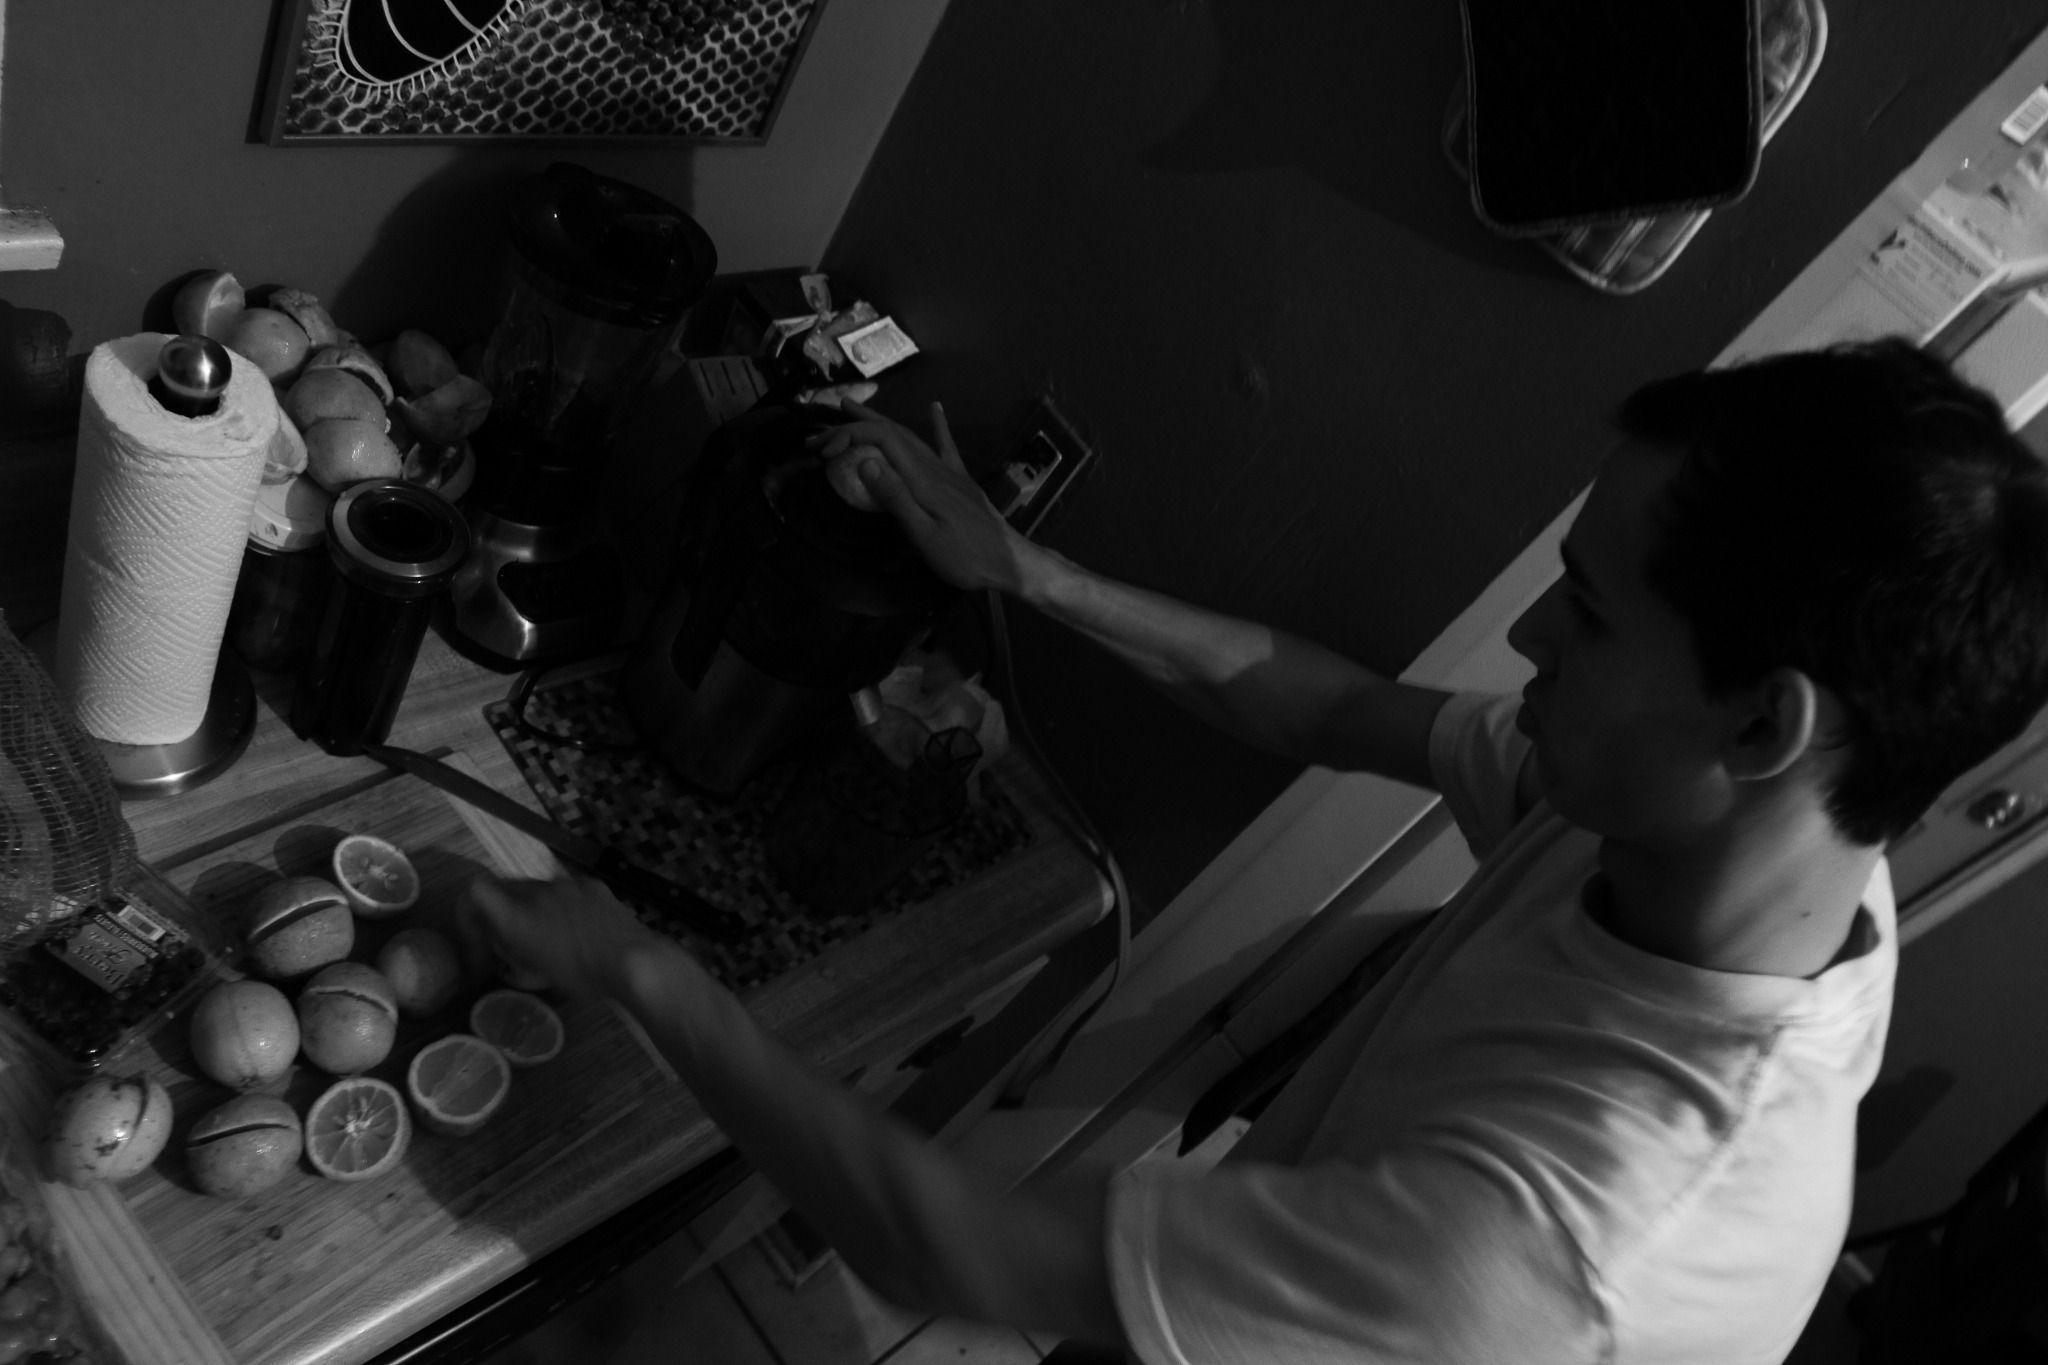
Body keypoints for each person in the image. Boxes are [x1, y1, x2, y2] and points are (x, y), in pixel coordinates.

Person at [460, 338, 2048, 1363]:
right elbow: (1333, 704)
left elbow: (946, 1243)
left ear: (1766, 721)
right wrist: (1027, 569)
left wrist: (643, 973)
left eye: (1594, 609)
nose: (1527, 629)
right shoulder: (1755, 841)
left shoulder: (1560, 1250)